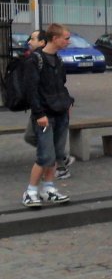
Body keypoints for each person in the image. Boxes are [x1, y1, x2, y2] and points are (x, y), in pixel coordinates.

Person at [22, 23, 74, 208]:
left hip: (60, 113)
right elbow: (31, 90)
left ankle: (49, 188)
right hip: (45, 116)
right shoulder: (35, 60)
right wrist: (39, 114)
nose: (69, 41)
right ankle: (30, 191)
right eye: (66, 38)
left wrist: (68, 102)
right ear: (55, 38)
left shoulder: (58, 60)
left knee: (57, 154)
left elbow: (61, 85)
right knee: (45, 155)